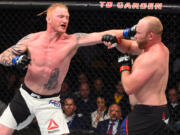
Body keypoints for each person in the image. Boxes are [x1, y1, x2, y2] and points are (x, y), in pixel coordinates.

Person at [0, 3, 123, 135]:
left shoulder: (72, 41)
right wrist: (15, 60)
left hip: (49, 102)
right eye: (60, 16)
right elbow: (3, 55)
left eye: (67, 17)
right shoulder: (31, 39)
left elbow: (101, 34)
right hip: (25, 96)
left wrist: (130, 32)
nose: (65, 20)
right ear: (48, 18)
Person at [102, 16, 174, 134]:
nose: (134, 36)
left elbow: (129, 87)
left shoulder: (150, 58)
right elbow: (129, 47)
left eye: (138, 33)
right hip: (159, 111)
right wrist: (117, 41)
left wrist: (124, 66)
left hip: (146, 113)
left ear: (150, 36)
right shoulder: (160, 49)